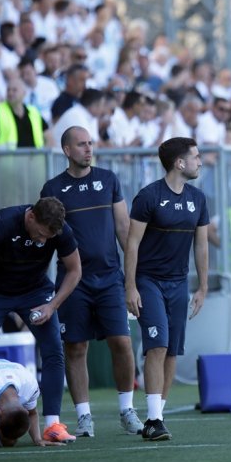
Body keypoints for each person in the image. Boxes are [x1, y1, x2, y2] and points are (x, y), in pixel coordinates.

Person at [40, 126, 145, 438]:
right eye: (81, 145)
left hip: (111, 278)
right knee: (75, 347)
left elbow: (124, 230)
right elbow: (47, 238)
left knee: (122, 343)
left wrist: (133, 280)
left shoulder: (108, 179)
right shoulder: (53, 187)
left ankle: (127, 409)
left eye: (90, 144)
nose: (88, 149)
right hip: (74, 282)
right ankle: (84, 417)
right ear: (67, 151)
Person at [124, 137, 210, 441]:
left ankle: (154, 417)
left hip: (179, 283)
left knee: (173, 350)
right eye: (196, 157)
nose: (200, 161)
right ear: (180, 162)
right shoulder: (148, 197)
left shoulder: (198, 199)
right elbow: (132, 243)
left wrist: (203, 286)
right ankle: (155, 418)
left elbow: (201, 245)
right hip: (148, 281)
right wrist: (130, 286)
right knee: (157, 347)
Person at [0, 197, 82, 443]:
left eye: (48, 238)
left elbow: (75, 270)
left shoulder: (61, 231)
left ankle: (53, 425)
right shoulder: (4, 221)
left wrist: (52, 305)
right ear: (31, 216)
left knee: (54, 349)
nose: (43, 241)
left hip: (35, 292)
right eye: (41, 234)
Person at [0, 359, 63, 447]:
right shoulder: (29, 386)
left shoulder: (29, 386)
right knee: (3, 440)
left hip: (12, 370)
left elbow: (32, 413)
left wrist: (37, 439)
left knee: (8, 442)